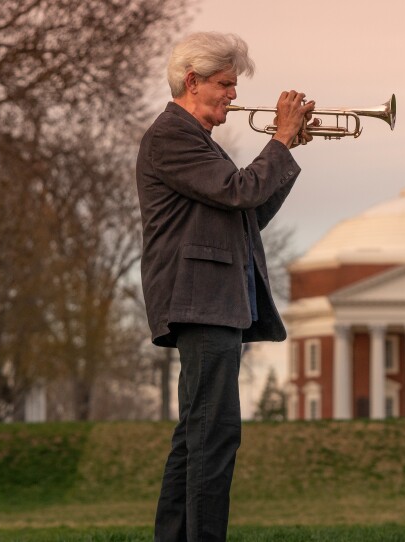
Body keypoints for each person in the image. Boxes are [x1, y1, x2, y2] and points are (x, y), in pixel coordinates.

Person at [135, 31, 315, 542]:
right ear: (192, 82)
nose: (234, 96)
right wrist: (278, 140)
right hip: (201, 300)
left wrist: (287, 152)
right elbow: (240, 191)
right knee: (214, 436)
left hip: (211, 301)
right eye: (225, 84)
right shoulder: (172, 135)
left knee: (195, 438)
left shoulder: (197, 143)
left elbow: (247, 214)